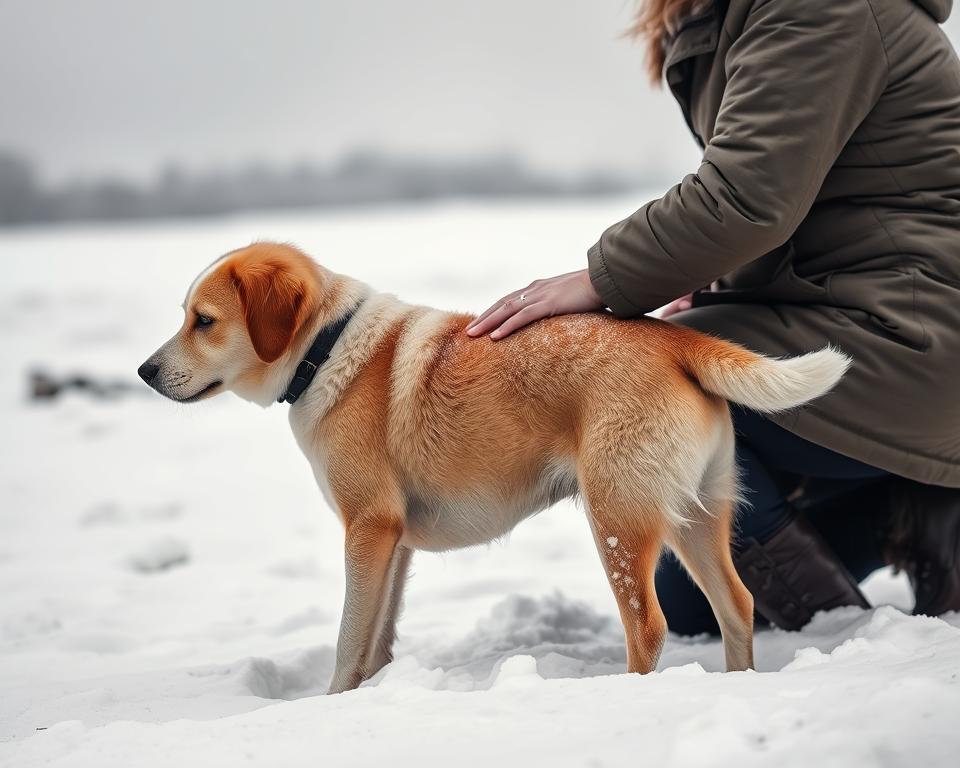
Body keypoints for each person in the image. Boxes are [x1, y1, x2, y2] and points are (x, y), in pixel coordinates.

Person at [466, 0, 960, 632]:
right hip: (852, 318)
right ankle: (902, 504)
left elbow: (749, 195)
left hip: (908, 339)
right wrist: (714, 292)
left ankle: (835, 632)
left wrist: (600, 279)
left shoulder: (822, 5)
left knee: (631, 384)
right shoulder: (737, 14)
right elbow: (820, 200)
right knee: (691, 601)